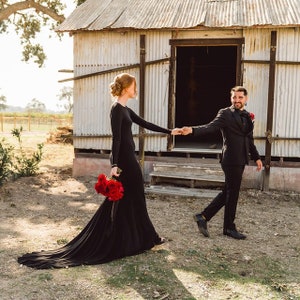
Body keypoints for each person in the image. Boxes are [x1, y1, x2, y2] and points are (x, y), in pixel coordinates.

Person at [18, 73, 180, 269]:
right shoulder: (117, 110)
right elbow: (116, 139)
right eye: (134, 85)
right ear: (127, 87)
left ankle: (134, 239)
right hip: (126, 162)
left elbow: (145, 124)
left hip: (130, 158)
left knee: (130, 199)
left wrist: (170, 131)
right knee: (132, 198)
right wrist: (114, 165)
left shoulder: (126, 109)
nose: (135, 89)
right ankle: (146, 238)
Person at [181, 86, 263, 240]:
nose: (237, 100)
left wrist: (257, 157)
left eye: (240, 97)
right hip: (231, 159)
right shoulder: (225, 113)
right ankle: (229, 228)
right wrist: (191, 130)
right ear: (231, 98)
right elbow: (210, 127)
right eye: (234, 97)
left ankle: (203, 217)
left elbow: (249, 139)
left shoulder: (247, 116)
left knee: (228, 192)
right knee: (233, 194)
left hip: (242, 159)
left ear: (246, 99)